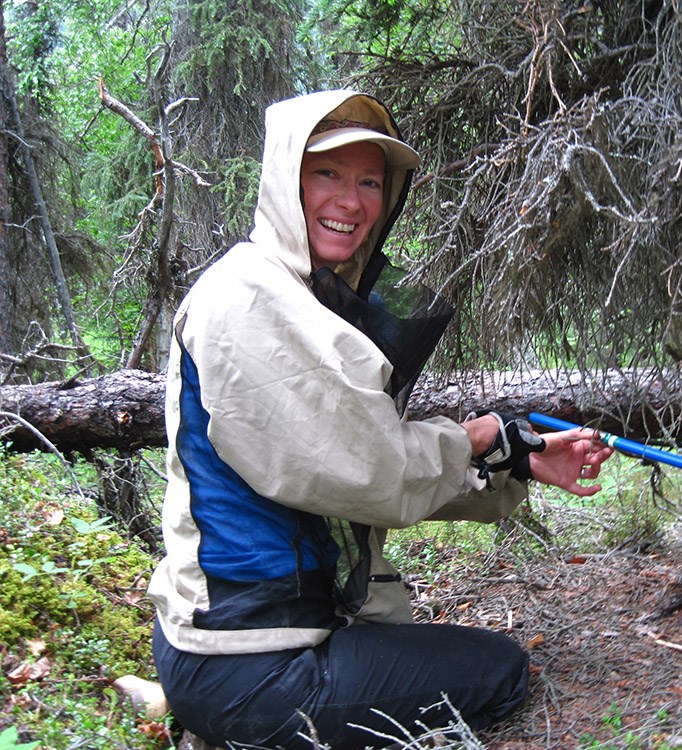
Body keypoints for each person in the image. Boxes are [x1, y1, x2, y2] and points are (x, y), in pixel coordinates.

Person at [147, 89, 614, 750]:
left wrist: (518, 461)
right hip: (248, 660)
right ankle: (234, 725)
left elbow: (360, 464)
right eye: (327, 173)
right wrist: (477, 436)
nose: (351, 201)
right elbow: (373, 473)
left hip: (251, 644)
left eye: (370, 181)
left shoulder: (296, 292)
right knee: (500, 673)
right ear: (285, 179)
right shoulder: (247, 298)